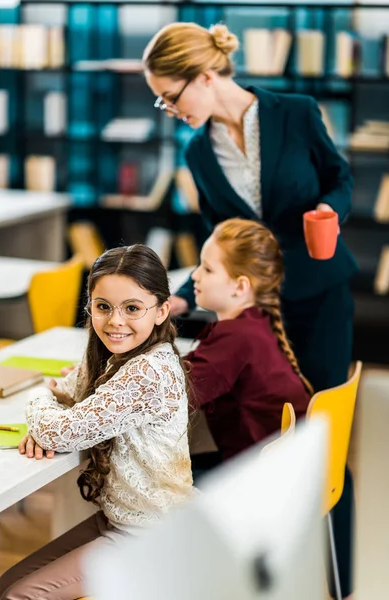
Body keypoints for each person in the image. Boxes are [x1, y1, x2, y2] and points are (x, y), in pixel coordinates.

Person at [143, 22, 357, 599]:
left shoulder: (296, 110)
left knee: (321, 434)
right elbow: (222, 237)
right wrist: (179, 297)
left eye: (170, 94)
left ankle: (339, 579)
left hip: (319, 296)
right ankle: (268, 571)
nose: (167, 108)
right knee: (265, 436)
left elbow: (340, 178)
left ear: (206, 77)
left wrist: (328, 214)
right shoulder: (197, 151)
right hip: (258, 307)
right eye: (159, 98)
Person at [0, 245, 193, 600]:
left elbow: (56, 425)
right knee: (2, 585)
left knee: (19, 595)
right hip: (118, 522)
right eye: (103, 307)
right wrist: (51, 411)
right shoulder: (117, 355)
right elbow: (70, 392)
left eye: (132, 308)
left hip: (150, 535)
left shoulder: (148, 370)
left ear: (162, 310)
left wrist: (38, 396)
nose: (115, 321)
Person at [186, 217, 311, 462]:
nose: (195, 275)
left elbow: (171, 393)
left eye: (207, 269)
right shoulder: (256, 322)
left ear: (240, 286)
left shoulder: (236, 338)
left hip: (257, 479)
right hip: (289, 471)